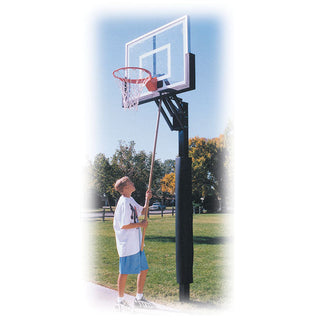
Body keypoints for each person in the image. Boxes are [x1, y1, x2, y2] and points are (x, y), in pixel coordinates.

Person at [113, 176, 154, 310]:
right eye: (130, 182)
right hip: (127, 244)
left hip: (137, 243)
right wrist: (140, 224)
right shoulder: (124, 202)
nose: (133, 183)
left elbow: (143, 211)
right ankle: (120, 301)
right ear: (125, 187)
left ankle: (139, 297)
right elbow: (124, 225)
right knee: (124, 272)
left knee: (143, 269)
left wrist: (147, 199)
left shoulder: (130, 199)